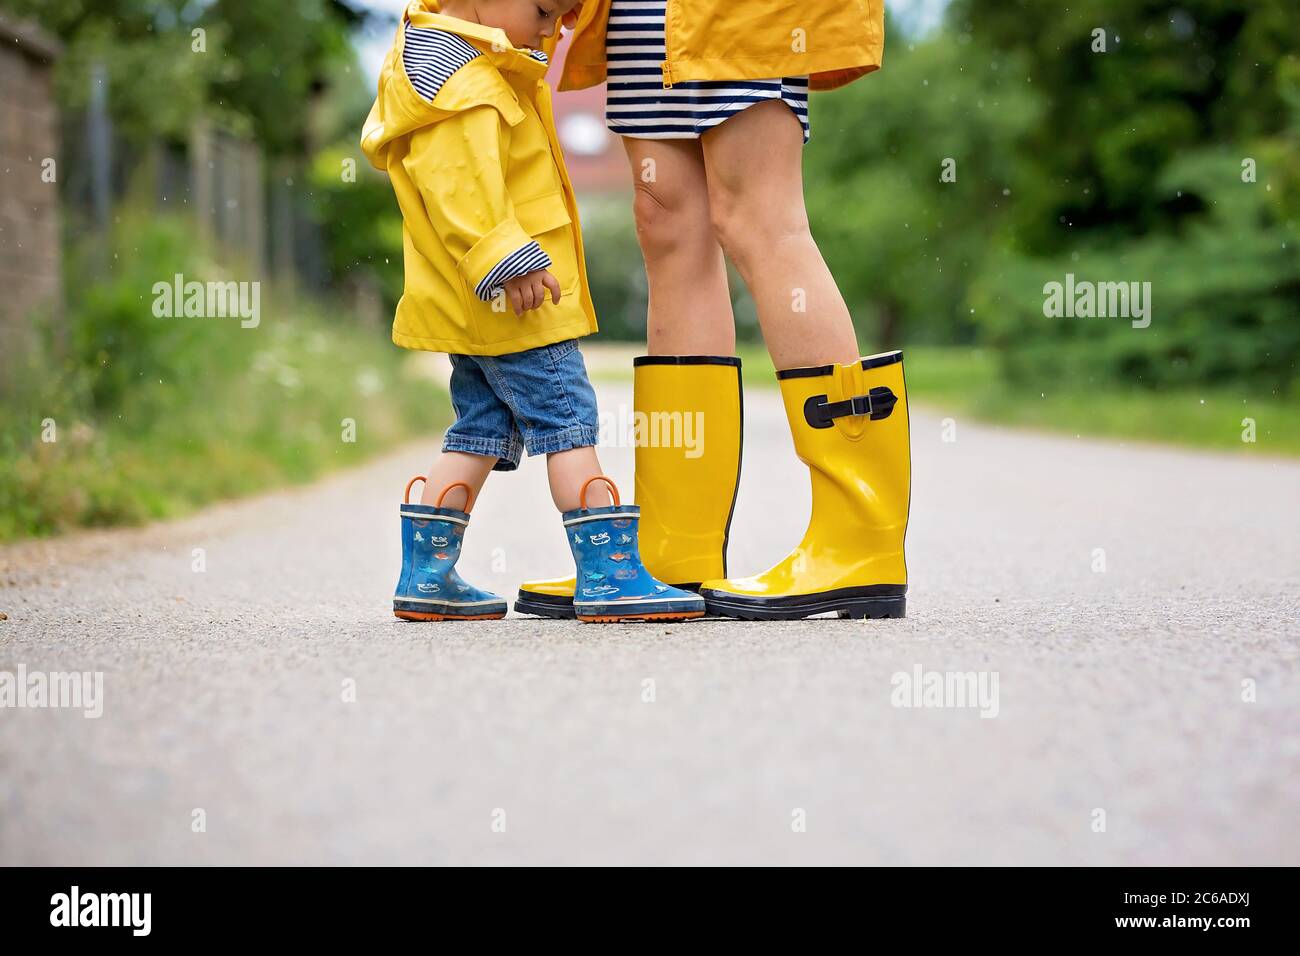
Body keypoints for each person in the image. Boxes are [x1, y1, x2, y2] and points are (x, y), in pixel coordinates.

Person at [516, 0, 912, 621]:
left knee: (760, 220)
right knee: (667, 224)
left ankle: (859, 539)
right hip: (643, 16)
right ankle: (677, 546)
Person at [362, 0, 705, 623]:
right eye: (546, 10)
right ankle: (608, 574)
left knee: (480, 429)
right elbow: (457, 182)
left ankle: (427, 574)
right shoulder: (455, 74)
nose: (552, 31)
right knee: (567, 420)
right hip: (514, 296)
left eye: (563, 22)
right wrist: (508, 259)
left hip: (481, 301)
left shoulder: (467, 60)